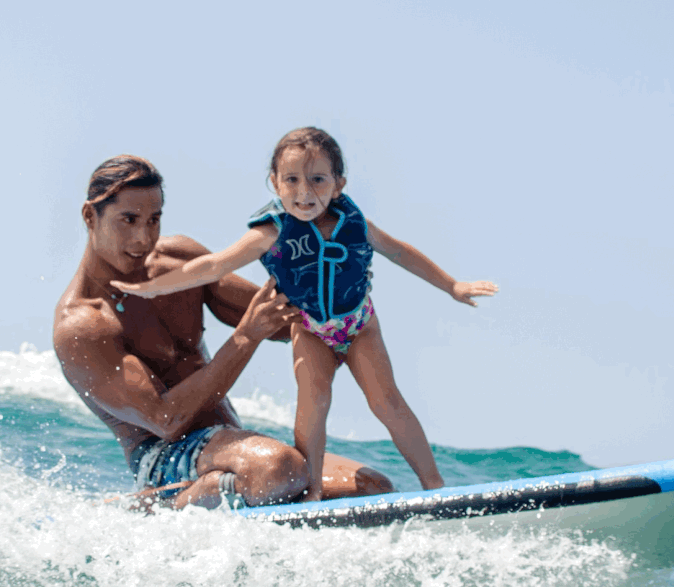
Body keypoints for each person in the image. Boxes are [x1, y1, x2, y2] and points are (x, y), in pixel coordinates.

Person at [112, 128, 498, 501]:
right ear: (275, 183)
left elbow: (399, 252)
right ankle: (311, 490)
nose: (304, 192)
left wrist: (452, 286)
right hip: (311, 329)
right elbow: (212, 265)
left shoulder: (355, 223)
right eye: (292, 180)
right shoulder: (271, 231)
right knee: (314, 405)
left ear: (339, 184)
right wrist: (151, 288)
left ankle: (434, 485)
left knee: (387, 403)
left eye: (317, 180)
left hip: (359, 325)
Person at [52, 154, 395, 510]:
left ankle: (247, 485)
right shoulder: (82, 325)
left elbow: (285, 319)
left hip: (234, 449)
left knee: (372, 488)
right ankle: (156, 510)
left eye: (154, 220)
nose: (143, 237)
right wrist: (246, 337)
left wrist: (335, 289)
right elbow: (166, 420)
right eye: (129, 220)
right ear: (90, 216)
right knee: (280, 469)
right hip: (165, 460)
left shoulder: (178, 262)